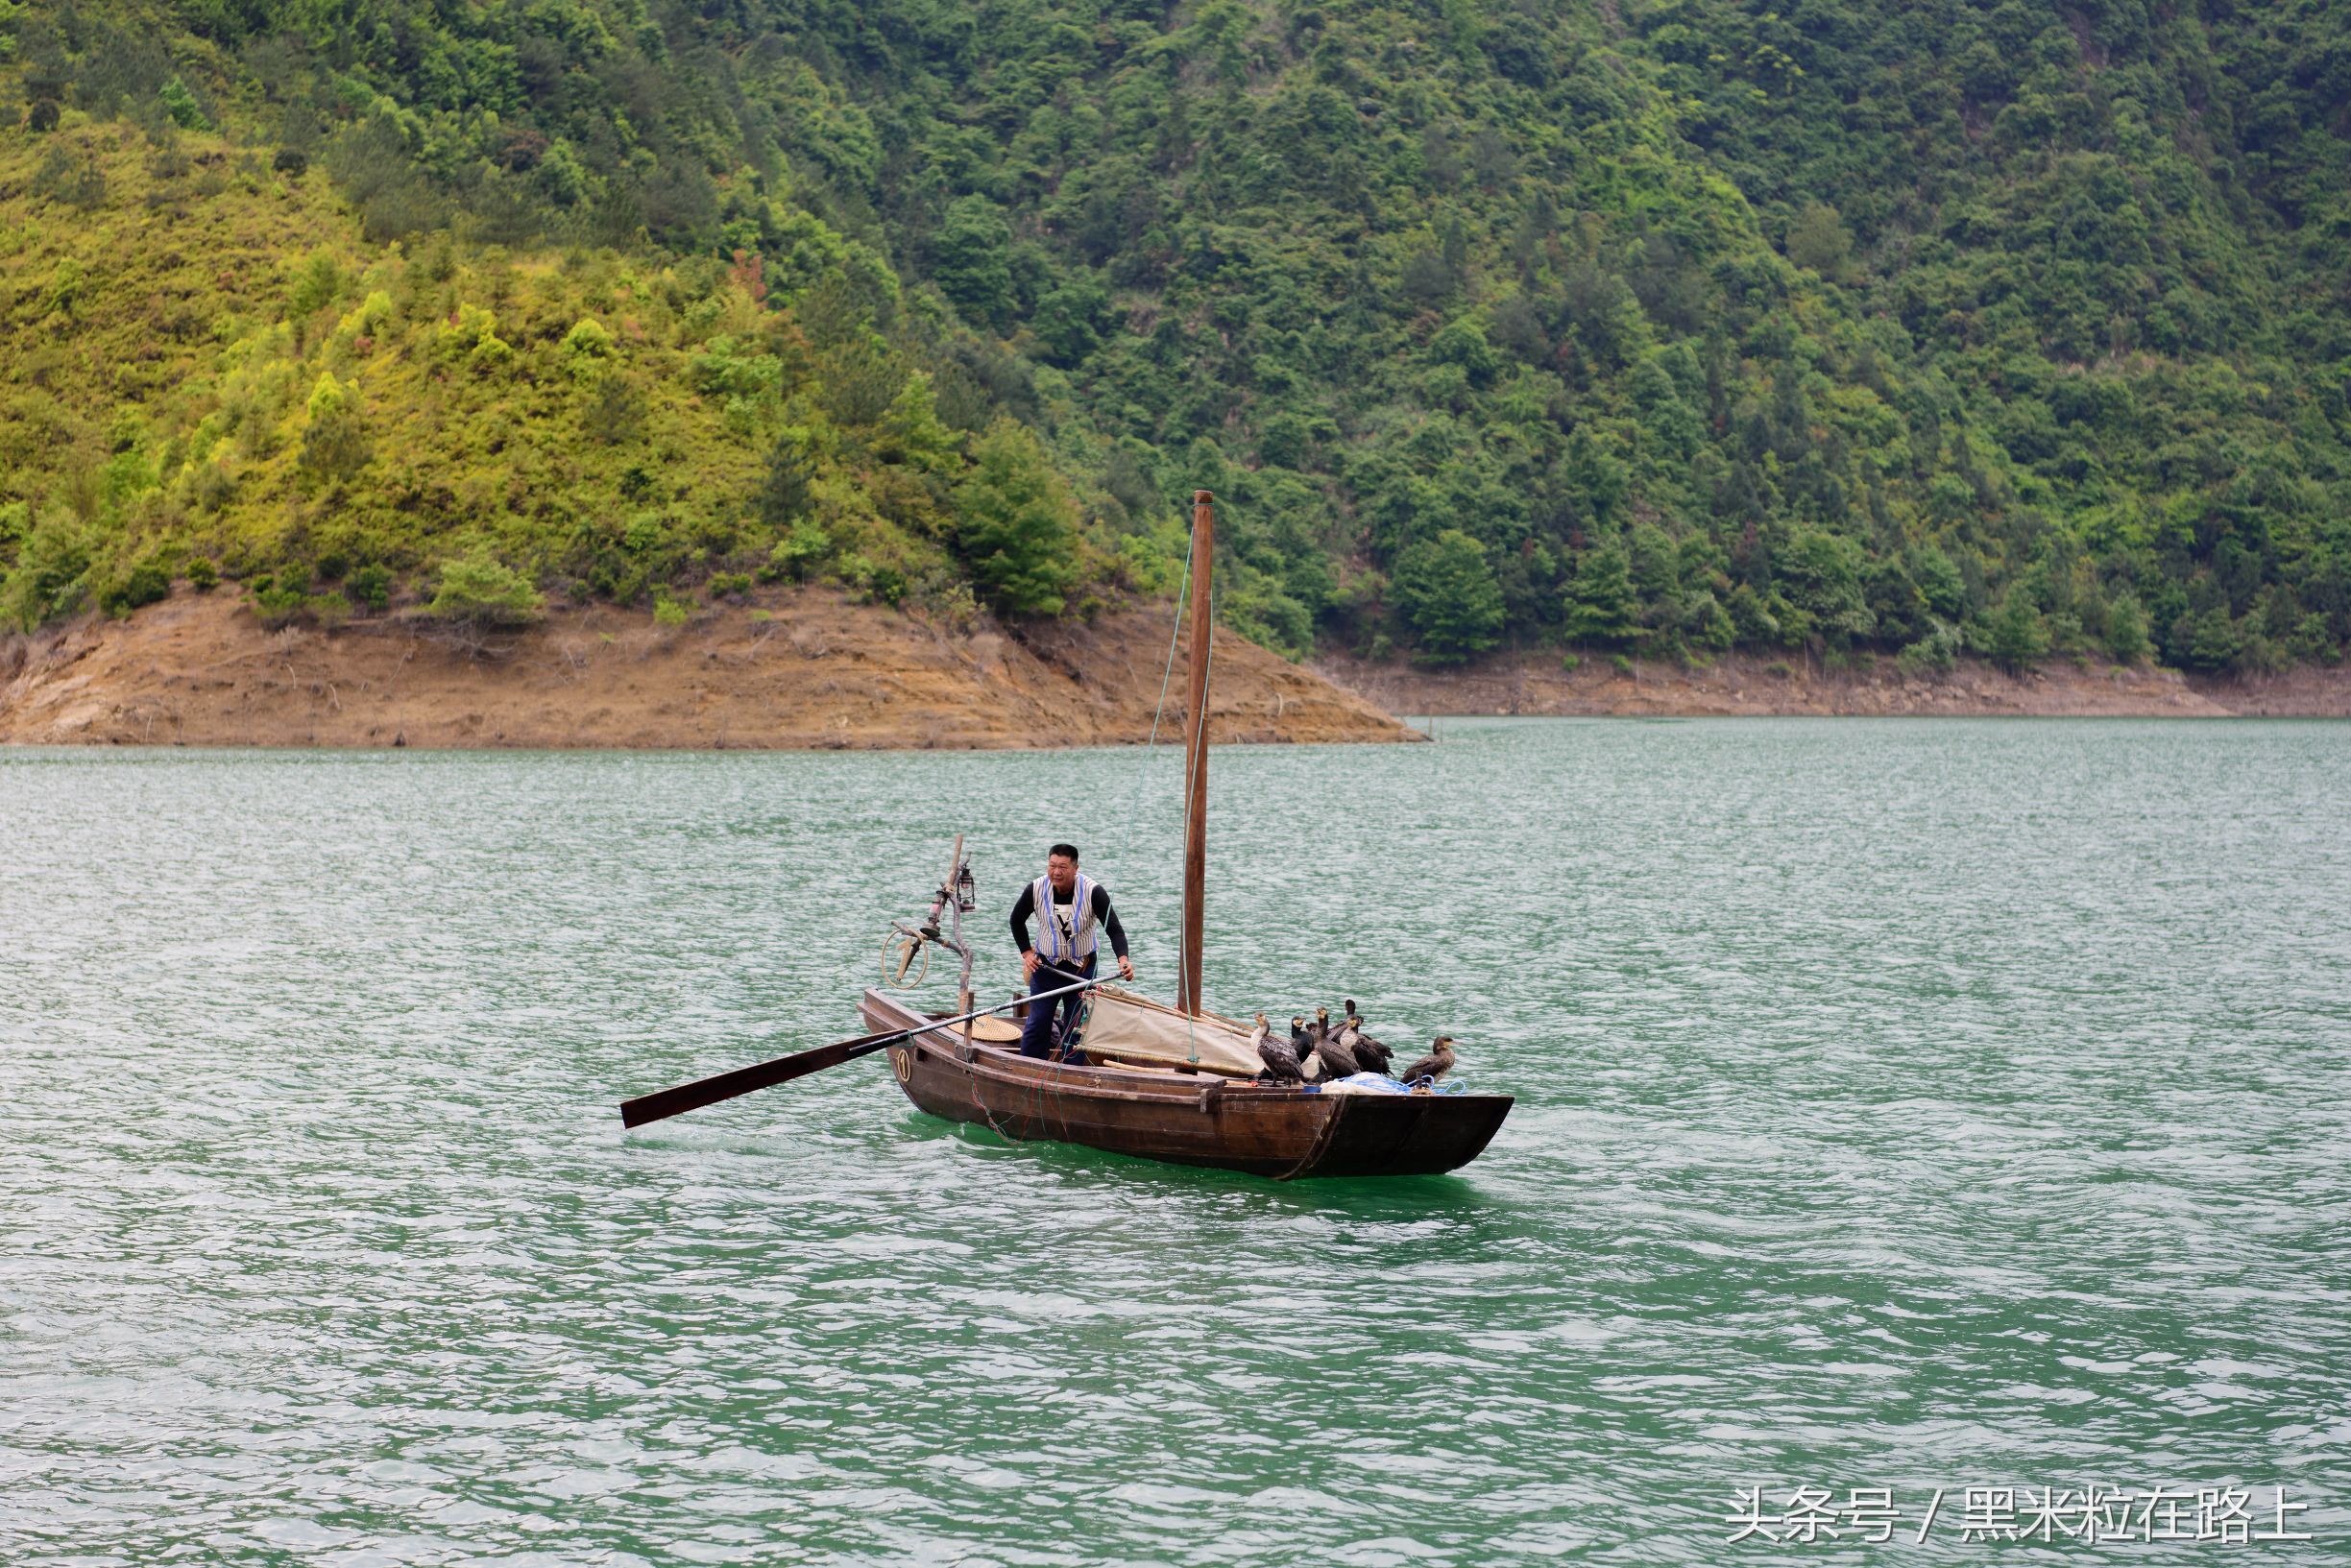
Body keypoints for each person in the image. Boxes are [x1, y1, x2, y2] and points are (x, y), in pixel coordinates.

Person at [1008, 843, 1133, 1060]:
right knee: (1037, 1023)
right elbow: (1016, 920)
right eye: (1052, 866)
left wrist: (1123, 960)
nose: (1056, 872)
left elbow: (1114, 929)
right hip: (1045, 968)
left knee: (1076, 1026)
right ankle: (1028, 1067)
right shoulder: (1036, 889)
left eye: (1063, 867)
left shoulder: (1093, 892)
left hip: (1081, 970)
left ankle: (1069, 1071)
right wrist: (1027, 954)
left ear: (1076, 868)